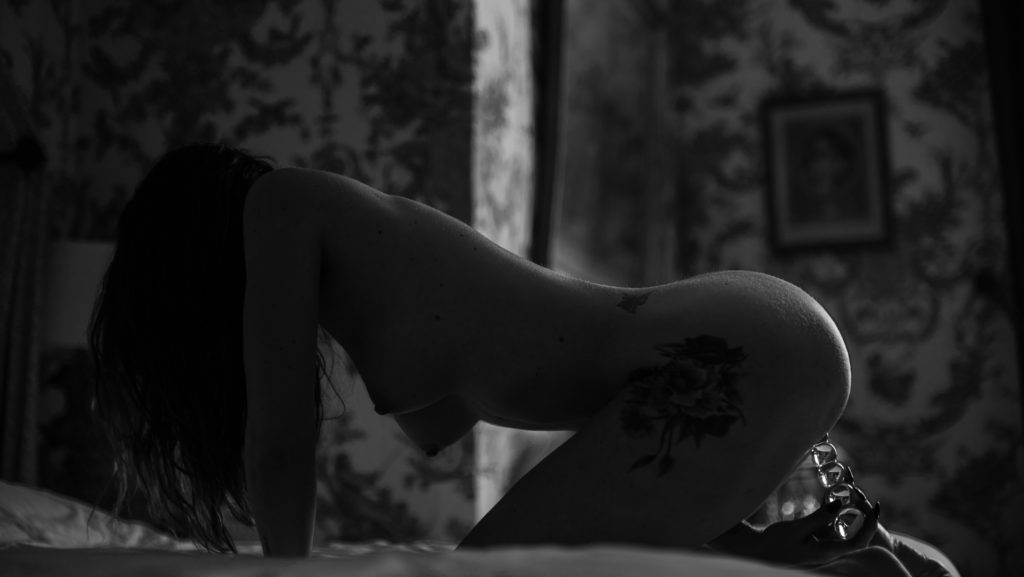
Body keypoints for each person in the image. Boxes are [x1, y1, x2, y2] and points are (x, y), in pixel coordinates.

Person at [88, 143, 935, 576]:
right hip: (748, 337)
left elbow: (279, 442)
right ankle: (864, 557)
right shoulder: (352, 259)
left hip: (735, 349)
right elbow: (607, 444)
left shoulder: (278, 204)